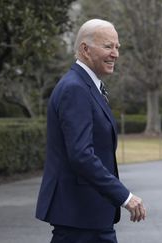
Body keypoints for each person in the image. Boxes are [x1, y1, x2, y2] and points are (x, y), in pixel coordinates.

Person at [36, 18, 146, 243]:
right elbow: (81, 155)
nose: (115, 53)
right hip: (81, 215)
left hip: (88, 215)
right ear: (85, 49)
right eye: (108, 46)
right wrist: (124, 197)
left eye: (117, 47)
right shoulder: (75, 88)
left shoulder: (86, 85)